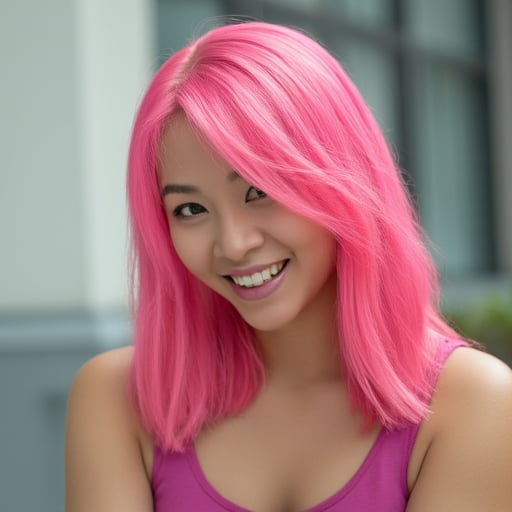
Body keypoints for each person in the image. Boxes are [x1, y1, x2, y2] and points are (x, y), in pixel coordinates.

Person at [65, 21, 512, 512]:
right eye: (190, 210)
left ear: (344, 178)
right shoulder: (115, 399)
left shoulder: (470, 402)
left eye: (260, 191)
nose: (233, 244)